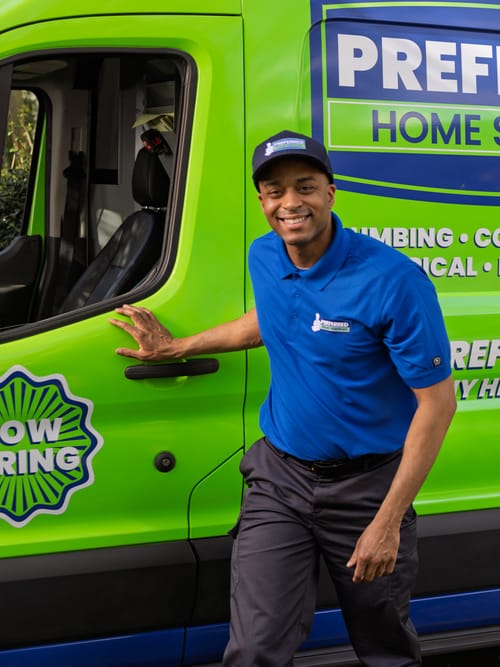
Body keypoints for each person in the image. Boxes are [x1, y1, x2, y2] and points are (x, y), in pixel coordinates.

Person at [110, 129, 456, 667]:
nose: (290, 203)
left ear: (331, 193)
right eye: (275, 191)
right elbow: (272, 321)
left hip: (367, 490)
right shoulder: (265, 256)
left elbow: (437, 405)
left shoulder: (393, 281)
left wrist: (387, 523)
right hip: (280, 480)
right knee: (254, 650)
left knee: (384, 648)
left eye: (305, 187)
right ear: (262, 201)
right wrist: (177, 346)